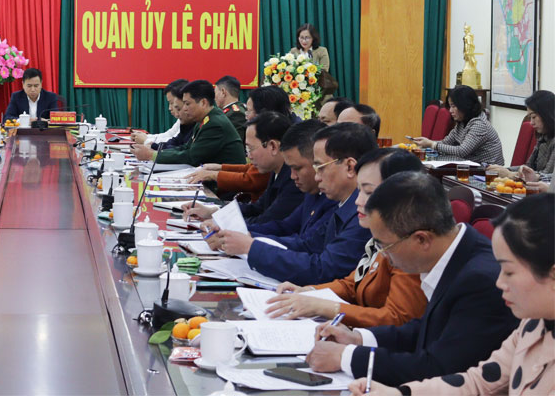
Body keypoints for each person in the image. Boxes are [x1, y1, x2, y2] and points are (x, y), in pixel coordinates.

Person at [306, 172, 518, 386]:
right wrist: (359, 339)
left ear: (422, 239)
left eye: (384, 246)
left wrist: (346, 357)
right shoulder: (457, 251)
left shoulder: (480, 281)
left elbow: (440, 369)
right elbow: (426, 329)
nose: (383, 256)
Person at [350, 192, 554, 396]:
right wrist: (399, 393)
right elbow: (477, 382)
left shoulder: (485, 283)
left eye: (509, 272)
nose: (500, 282)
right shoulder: (533, 324)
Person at [266, 148, 427, 328]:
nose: (358, 201)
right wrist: (308, 291)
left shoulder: (412, 245)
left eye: (369, 192)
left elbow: (397, 319)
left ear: (403, 195)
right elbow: (352, 284)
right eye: (359, 191)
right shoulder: (382, 235)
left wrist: (326, 307)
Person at [208, 123, 375, 285]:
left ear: (350, 167)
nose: (317, 177)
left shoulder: (362, 212)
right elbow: (307, 244)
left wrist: (251, 247)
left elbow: (323, 270)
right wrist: (246, 238)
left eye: (320, 167)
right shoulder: (342, 202)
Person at [200, 119, 335, 250]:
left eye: (250, 148)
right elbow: (284, 226)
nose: (293, 176)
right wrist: (232, 231)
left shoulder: (329, 196)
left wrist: (249, 243)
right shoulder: (311, 190)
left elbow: (307, 246)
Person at [185, 112, 303, 225]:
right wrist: (213, 212)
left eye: (250, 149)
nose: (249, 156)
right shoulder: (277, 171)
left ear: (273, 146)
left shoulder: (293, 178)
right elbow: (255, 208)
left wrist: (221, 223)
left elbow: (267, 221)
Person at [132, 79, 245, 166]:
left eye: (187, 104)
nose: (184, 109)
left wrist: (152, 155)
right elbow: (185, 148)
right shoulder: (203, 120)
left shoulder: (215, 124)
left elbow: (191, 157)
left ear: (203, 103)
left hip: (225, 184)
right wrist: (154, 152)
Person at [412, 85, 504, 165]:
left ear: (465, 105)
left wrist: (432, 144)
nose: (450, 111)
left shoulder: (479, 124)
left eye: (453, 106)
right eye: (450, 106)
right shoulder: (463, 121)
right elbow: (445, 143)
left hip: (488, 171)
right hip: (471, 167)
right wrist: (426, 143)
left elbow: (461, 151)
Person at [490, 89, 554, 183]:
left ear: (547, 114)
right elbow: (528, 168)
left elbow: (548, 177)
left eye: (534, 117)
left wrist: (510, 174)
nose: (531, 123)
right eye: (530, 118)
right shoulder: (543, 137)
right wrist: (503, 170)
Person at [134, 79, 187, 146]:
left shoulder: (194, 123)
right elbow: (169, 135)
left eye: (172, 103)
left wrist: (146, 140)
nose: (170, 108)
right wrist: (145, 137)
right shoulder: (182, 119)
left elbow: (173, 143)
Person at [215, 75, 248, 142]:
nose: (214, 97)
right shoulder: (234, 110)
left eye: (215, 93)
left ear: (223, 92)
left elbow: (234, 143)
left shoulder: (236, 114)